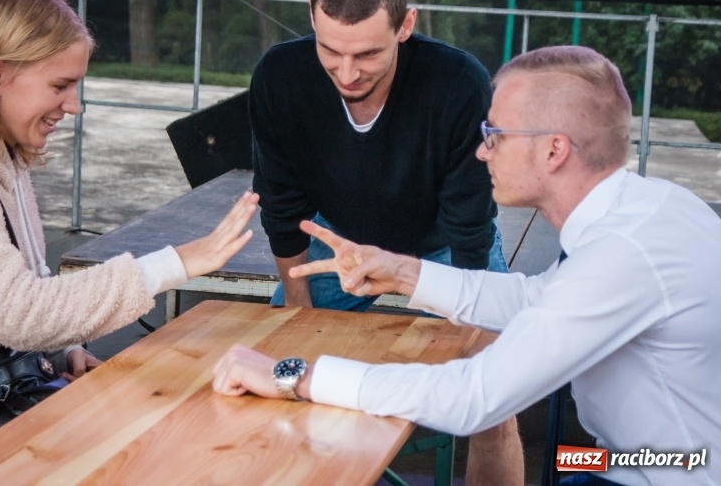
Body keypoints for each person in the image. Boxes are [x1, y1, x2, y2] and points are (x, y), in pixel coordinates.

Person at [214, 45, 721, 486]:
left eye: (495, 133)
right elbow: (536, 298)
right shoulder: (649, 208)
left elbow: (474, 397)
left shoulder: (623, 255)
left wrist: (294, 375)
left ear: (553, 150)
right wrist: (403, 272)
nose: (482, 150)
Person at [0, 0, 259, 474]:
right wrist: (176, 262)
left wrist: (61, 352)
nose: (75, 105)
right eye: (60, 85)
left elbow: (12, 298)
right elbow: (18, 311)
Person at [251, 0, 506, 314]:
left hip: (445, 240)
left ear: (405, 25)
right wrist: (297, 305)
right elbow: (281, 203)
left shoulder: (459, 84)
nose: (347, 73)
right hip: (342, 239)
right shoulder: (279, 77)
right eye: (330, 50)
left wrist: (470, 328)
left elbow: (470, 217)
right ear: (312, 16)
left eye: (368, 54)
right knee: (284, 344)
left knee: (500, 351)